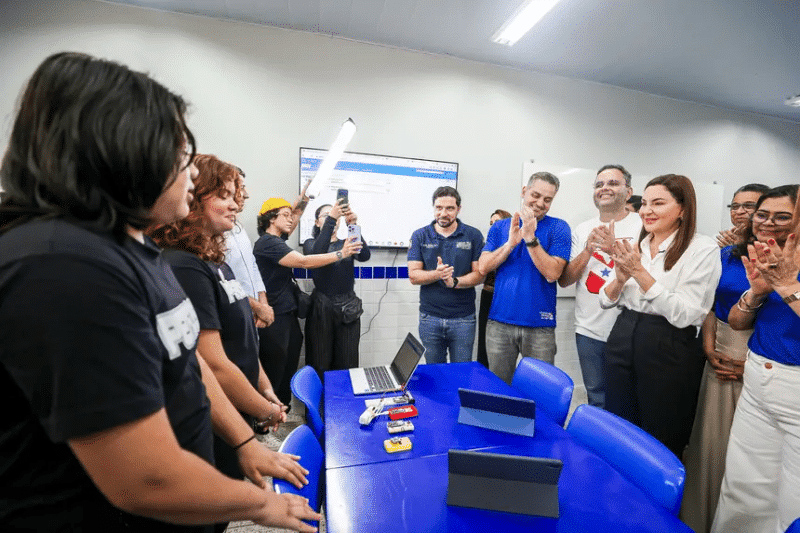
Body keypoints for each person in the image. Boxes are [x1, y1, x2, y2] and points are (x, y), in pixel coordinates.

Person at [0, 52, 319, 532]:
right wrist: (263, 506)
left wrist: (242, 443)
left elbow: (187, 359)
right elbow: (143, 478)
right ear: (126, 151)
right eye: (180, 154)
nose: (192, 173)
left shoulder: (131, 245)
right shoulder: (65, 265)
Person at [148, 155, 288, 498]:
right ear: (196, 200)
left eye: (234, 195)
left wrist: (265, 388)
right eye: (223, 195)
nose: (235, 205)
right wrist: (265, 409)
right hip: (211, 418)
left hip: (236, 411)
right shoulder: (183, 265)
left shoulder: (215, 263)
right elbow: (212, 361)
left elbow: (242, 340)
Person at [600, 174, 721, 458]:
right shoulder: (637, 246)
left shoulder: (702, 249)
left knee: (662, 433)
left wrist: (639, 274)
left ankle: (655, 498)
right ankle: (619, 492)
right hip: (624, 333)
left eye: (658, 203)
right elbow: (606, 301)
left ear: (683, 209)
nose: (646, 211)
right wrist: (619, 279)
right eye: (644, 203)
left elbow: (686, 314)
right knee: (619, 424)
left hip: (669, 343)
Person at [680, 183, 768, 532]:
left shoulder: (781, 258)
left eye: (752, 207)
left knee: (750, 451)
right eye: (736, 205)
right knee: (711, 439)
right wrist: (707, 347)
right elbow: (708, 303)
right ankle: (702, 515)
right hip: (719, 347)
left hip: (759, 353)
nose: (742, 212)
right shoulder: (725, 254)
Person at [712, 184, 800, 533]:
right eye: (763, 215)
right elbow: (736, 320)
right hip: (760, 378)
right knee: (742, 490)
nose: (769, 223)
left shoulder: (787, 268)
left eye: (783, 216)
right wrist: (758, 292)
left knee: (791, 503)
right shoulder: (768, 257)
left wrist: (786, 285)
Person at [254, 198, 361, 405]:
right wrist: (341, 253)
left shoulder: (278, 240)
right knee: (277, 369)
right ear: (270, 218)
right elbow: (305, 262)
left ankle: (281, 411)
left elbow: (363, 254)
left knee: (286, 367)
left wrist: (303, 198)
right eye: (285, 215)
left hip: (287, 312)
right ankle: (269, 419)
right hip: (274, 315)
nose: (291, 219)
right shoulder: (268, 242)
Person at [558, 164, 642, 408]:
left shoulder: (643, 226)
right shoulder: (583, 229)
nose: (604, 188)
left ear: (628, 191)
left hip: (631, 328)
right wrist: (588, 249)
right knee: (596, 396)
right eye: (599, 184)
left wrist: (614, 248)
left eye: (613, 183)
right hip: (589, 328)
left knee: (629, 400)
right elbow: (566, 280)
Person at [478, 172, 571, 384]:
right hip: (499, 323)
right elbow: (483, 267)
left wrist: (530, 238)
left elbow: (553, 273)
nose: (540, 203)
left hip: (540, 326)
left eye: (547, 200)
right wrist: (510, 243)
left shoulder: (559, 227)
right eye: (535, 195)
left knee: (539, 389)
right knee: (499, 387)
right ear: (524, 191)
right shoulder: (500, 227)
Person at [408, 187, 485, 364]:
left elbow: (479, 275)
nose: (443, 213)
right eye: (439, 207)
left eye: (449, 208)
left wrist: (454, 282)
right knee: (435, 373)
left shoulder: (473, 235)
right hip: (430, 318)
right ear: (433, 208)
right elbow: (413, 276)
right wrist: (437, 274)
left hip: (463, 319)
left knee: (461, 372)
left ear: (458, 209)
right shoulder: (420, 235)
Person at [303, 199, 370, 375]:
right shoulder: (310, 243)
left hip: (348, 307)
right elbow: (317, 253)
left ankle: (345, 402)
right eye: (326, 215)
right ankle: (319, 403)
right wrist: (332, 218)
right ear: (317, 222)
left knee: (347, 362)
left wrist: (353, 225)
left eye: (333, 216)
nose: (331, 219)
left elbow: (364, 256)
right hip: (321, 307)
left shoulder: (345, 243)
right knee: (320, 361)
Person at [225, 167, 275, 328]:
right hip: (233, 312)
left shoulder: (238, 226)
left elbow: (252, 265)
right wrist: (258, 307)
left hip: (253, 314)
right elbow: (223, 281)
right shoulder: (215, 233)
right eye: (241, 188)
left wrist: (263, 304)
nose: (246, 195)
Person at [477, 209, 512, 367]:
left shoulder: (515, 247)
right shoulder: (488, 247)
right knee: (483, 344)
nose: (493, 226)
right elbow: (482, 269)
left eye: (497, 222)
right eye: (491, 223)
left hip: (506, 299)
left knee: (502, 349)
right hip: (488, 296)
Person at [715, 184, 770, 248]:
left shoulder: (776, 239)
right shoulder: (722, 240)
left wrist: (740, 249)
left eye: (749, 206)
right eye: (735, 207)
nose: (739, 212)